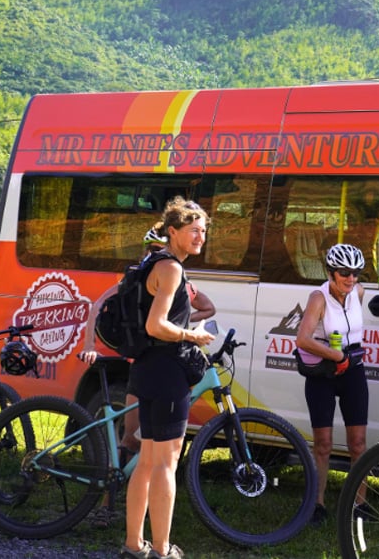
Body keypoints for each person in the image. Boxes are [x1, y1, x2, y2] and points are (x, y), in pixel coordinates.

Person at [119, 197, 215, 559]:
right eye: (193, 231)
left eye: (203, 231)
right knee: (165, 464)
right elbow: (155, 325)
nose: (200, 237)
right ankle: (161, 549)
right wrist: (194, 335)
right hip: (166, 372)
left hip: (145, 369)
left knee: (147, 460)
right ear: (172, 232)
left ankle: (133, 544)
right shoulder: (171, 268)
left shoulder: (152, 263)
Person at [80, 224, 215, 456]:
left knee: (152, 447)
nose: (152, 255)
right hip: (143, 364)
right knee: (132, 441)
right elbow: (97, 305)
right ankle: (111, 486)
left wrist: (178, 320)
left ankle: (123, 483)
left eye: (157, 249)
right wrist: (89, 345)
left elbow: (208, 308)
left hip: (162, 364)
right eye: (149, 250)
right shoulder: (134, 281)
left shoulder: (178, 280)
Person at [295, 243, 369, 526]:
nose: (350, 279)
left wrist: (347, 358)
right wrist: (337, 355)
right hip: (323, 374)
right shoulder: (319, 298)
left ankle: (359, 504)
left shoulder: (358, 293)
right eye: (344, 273)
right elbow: (302, 339)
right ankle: (317, 503)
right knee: (323, 444)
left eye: (356, 273)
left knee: (358, 444)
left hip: (353, 372)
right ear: (330, 272)